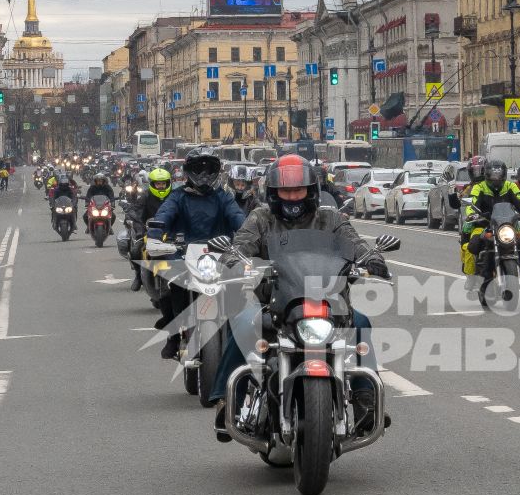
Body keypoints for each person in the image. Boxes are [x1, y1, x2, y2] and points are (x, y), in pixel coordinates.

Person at [214, 155, 387, 439]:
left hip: (328, 303)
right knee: (245, 324)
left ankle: (365, 401)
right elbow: (241, 245)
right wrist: (234, 260)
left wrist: (371, 257)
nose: (292, 197)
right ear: (273, 193)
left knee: (362, 324)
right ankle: (226, 401)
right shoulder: (261, 218)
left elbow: (353, 242)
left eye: (298, 190)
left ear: (311, 190)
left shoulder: (329, 218)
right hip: (276, 304)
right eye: (285, 191)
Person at [151, 151, 246, 358]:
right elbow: (164, 214)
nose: (204, 175)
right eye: (198, 169)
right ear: (188, 172)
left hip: (220, 254)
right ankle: (174, 336)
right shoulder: (178, 197)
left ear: (216, 172)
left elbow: (237, 216)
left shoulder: (224, 197)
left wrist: (247, 232)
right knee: (170, 287)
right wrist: (155, 233)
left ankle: (238, 335)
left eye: (209, 170)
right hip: (183, 253)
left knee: (244, 287)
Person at [461, 159, 520, 282]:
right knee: (473, 243)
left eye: (498, 175)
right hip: (484, 224)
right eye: (493, 175)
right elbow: (471, 202)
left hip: (508, 225)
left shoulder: (510, 186)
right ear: (487, 175)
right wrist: (472, 214)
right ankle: (471, 277)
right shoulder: (479, 187)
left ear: (504, 175)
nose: (496, 178)